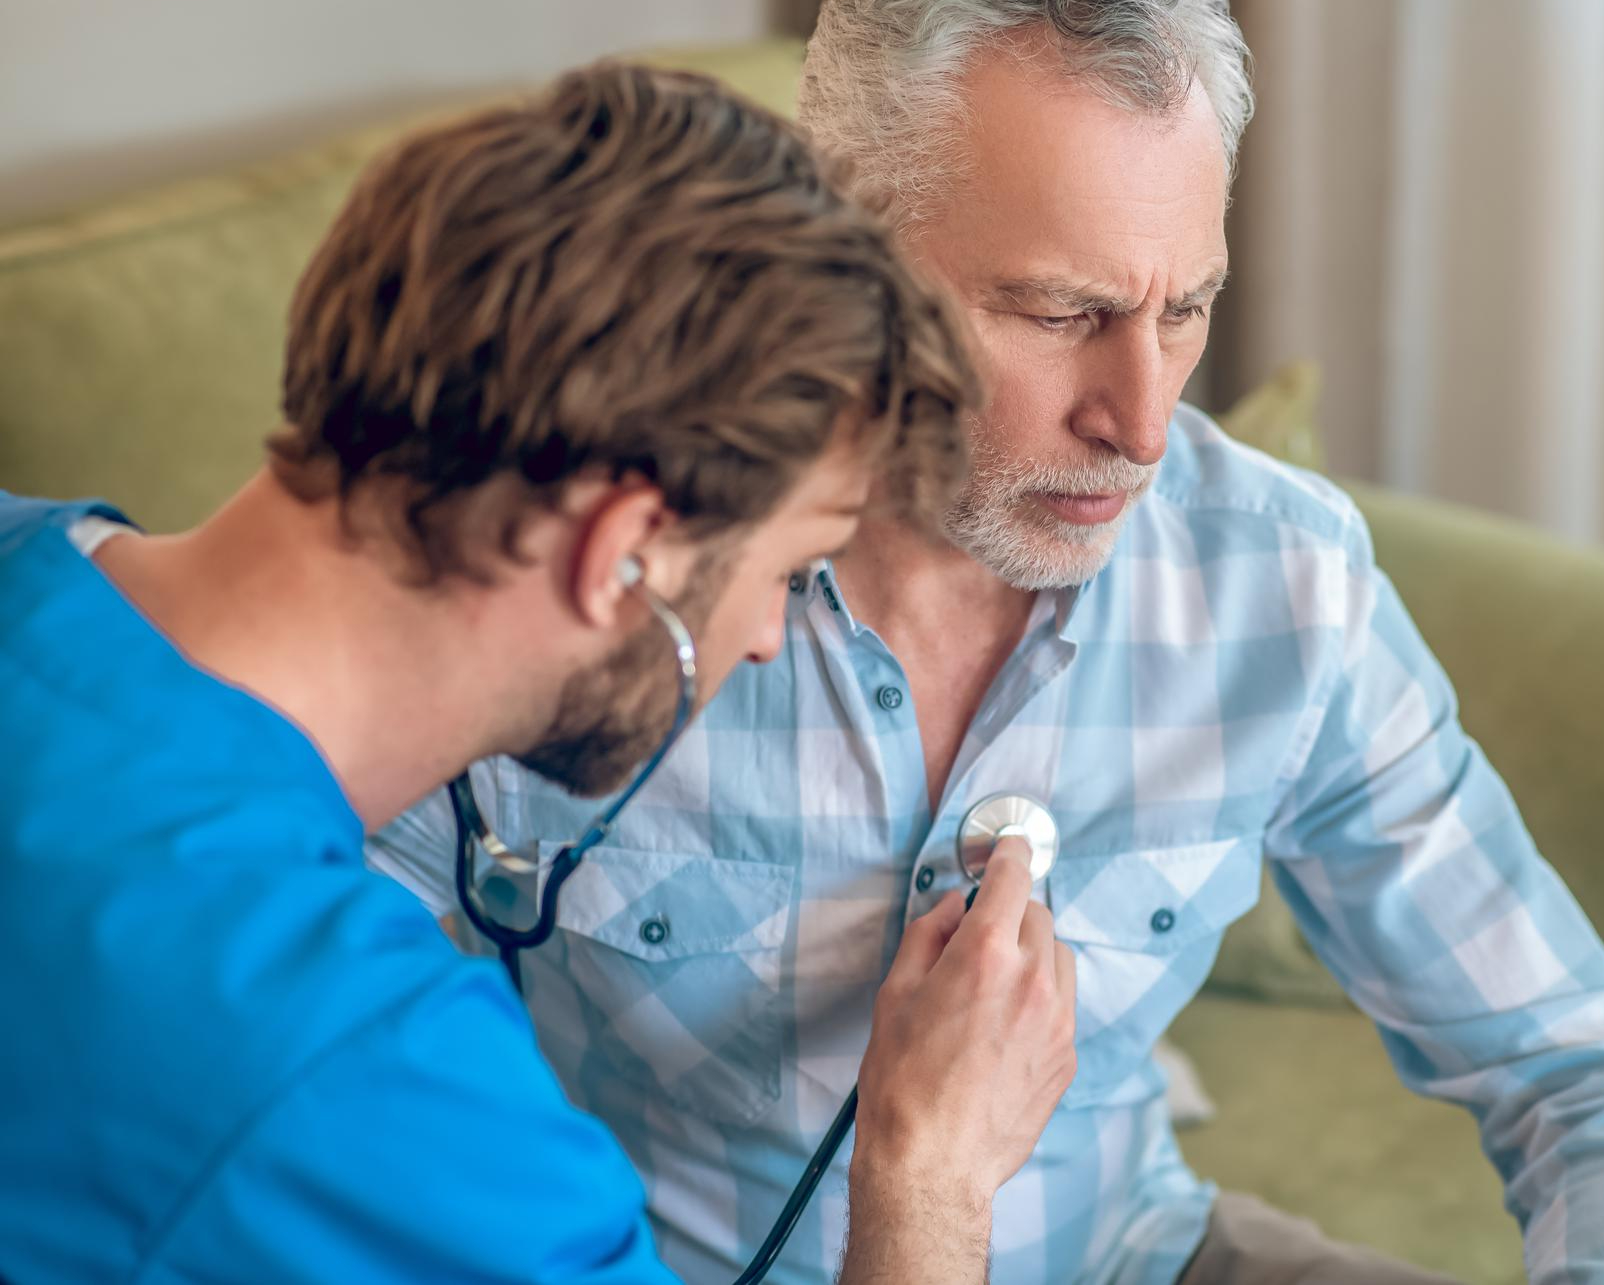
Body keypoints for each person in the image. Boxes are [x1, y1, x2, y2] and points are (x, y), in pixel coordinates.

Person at [373, 0, 1604, 1284]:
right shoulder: (594, 568)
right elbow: (287, 1055)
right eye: (1059, 311)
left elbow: (1584, 1065)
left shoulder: (1282, 581)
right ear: (839, 242)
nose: (1141, 422)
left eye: (1188, 308)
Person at [0, 62, 1080, 1285]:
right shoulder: (373, 1080)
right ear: (619, 557)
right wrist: (930, 1175)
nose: (774, 635)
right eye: (794, 564)